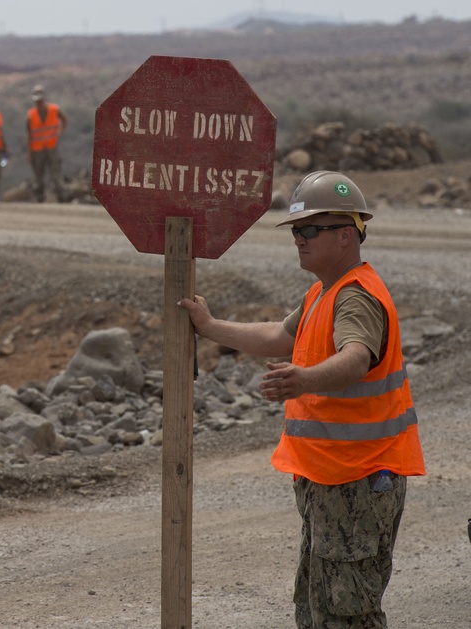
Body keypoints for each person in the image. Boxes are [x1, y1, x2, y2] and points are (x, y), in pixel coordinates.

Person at [178, 171, 425, 628]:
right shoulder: (322, 293)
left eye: (310, 230)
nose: (299, 239)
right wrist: (210, 327)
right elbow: (277, 335)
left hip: (360, 478)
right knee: (318, 609)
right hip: (333, 480)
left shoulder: (356, 298)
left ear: (347, 235)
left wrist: (304, 380)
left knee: (347, 616)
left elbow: (355, 359)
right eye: (296, 230)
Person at [25, 84, 67, 203]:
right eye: (36, 100)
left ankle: (61, 198)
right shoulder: (30, 115)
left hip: (51, 147)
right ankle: (40, 199)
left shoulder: (54, 109)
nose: (38, 102)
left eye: (40, 99)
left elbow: (64, 121)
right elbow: (28, 135)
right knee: (39, 176)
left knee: (56, 174)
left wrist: (59, 132)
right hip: (37, 149)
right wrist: (29, 153)